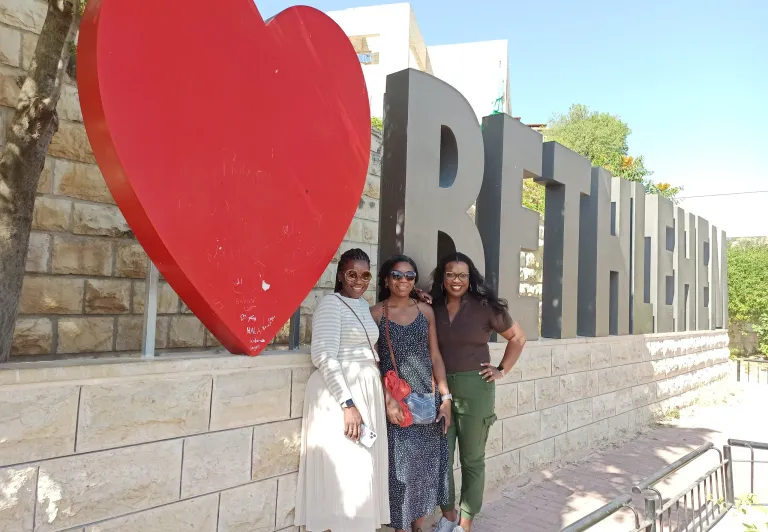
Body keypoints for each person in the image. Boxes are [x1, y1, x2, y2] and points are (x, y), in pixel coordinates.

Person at [427, 252, 527, 532]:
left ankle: (466, 522)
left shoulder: (485, 307)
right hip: (441, 390)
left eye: (461, 275)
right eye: (450, 274)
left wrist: (501, 369)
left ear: (470, 279)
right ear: (442, 277)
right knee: (440, 456)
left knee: (472, 458)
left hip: (476, 390)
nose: (455, 280)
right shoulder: (432, 306)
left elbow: (518, 338)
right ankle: (447, 518)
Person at [295, 248, 390, 532]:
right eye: (352, 274)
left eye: (365, 275)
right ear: (340, 275)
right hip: (342, 395)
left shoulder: (363, 305)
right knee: (348, 473)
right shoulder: (330, 304)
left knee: (360, 472)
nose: (358, 280)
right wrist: (348, 404)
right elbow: (324, 355)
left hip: (364, 390)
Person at [370, 255, 453, 532]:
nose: (402, 280)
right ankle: (401, 527)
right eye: (396, 274)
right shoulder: (376, 313)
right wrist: (388, 399)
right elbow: (374, 362)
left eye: (409, 276)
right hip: (397, 402)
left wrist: (446, 398)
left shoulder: (425, 312)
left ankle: (419, 525)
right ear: (386, 279)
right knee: (400, 470)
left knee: (424, 469)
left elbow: (436, 356)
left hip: (427, 400)